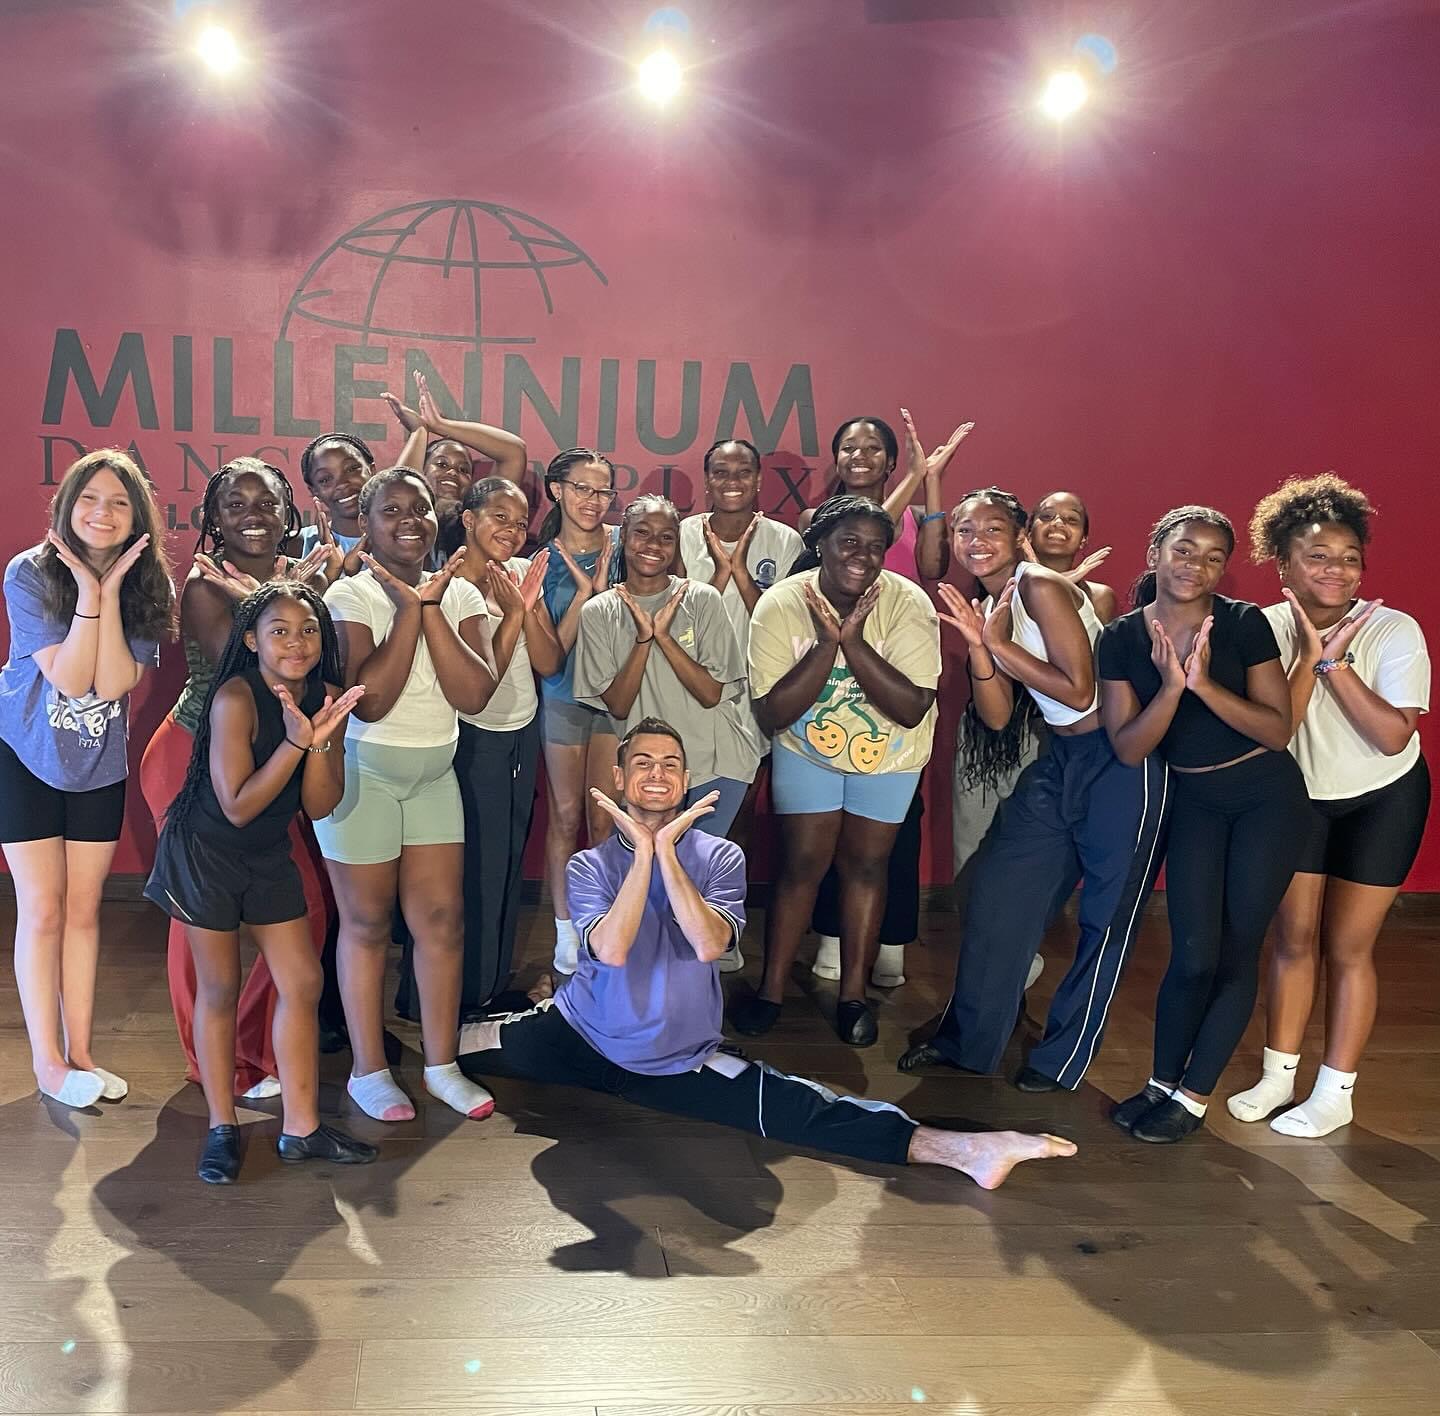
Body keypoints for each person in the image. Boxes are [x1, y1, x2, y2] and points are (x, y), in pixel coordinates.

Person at [455, 717, 1076, 1190]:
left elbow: (708, 943)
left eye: (670, 765)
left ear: (685, 781)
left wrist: (664, 852)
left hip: (676, 1059)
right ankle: (537, 1000)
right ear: (618, 779)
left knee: (801, 1110)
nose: (656, 774)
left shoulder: (720, 857)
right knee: (458, 1045)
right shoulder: (589, 865)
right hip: (579, 1035)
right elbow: (611, 950)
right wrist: (641, 854)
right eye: (641, 763)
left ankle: (966, 1151)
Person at [897, 488, 1169, 1091]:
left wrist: (996, 644)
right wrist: (980, 649)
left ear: (1020, 536)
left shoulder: (1039, 585)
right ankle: (969, 1043)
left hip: (1121, 763)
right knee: (995, 895)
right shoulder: (992, 603)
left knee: (1103, 922)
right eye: (965, 531)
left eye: (992, 529)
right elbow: (997, 716)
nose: (976, 542)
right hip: (1061, 759)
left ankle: (1059, 1060)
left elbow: (1079, 690)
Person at [143, 583, 377, 1183]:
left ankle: (301, 1128)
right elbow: (239, 805)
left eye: (308, 630)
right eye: (279, 631)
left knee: (301, 980)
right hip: (206, 851)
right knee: (219, 987)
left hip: (266, 853)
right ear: (251, 640)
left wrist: (321, 743)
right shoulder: (234, 697)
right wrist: (298, 743)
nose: (296, 643)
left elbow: (320, 806)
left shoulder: (325, 697)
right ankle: (221, 1126)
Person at [1227, 475, 1429, 1137]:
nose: (1335, 570)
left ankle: (1335, 1092)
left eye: (1349, 558)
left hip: (1383, 796)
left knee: (1347, 947)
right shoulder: (1261, 628)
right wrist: (1306, 658)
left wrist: (1334, 666)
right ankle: (1278, 1075)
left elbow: (1393, 735)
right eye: (1317, 556)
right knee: (1291, 940)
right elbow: (1278, 730)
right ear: (1283, 564)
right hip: (1300, 797)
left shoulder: (1392, 629)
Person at [1100, 506, 1306, 1143]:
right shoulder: (1122, 637)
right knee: (1191, 954)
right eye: (1185, 550)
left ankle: (1192, 1099)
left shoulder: (1241, 625)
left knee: (1236, 951)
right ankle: (1160, 1083)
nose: (1197, 566)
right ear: (1156, 553)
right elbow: (1128, 747)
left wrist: (1203, 685)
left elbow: (1277, 730)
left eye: (1214, 558)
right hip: (1193, 801)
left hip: (1265, 800)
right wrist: (1169, 688)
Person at [140, 458, 332, 1101]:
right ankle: (209, 1061)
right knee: (196, 915)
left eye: (268, 503)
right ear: (214, 520)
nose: (253, 515)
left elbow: (312, 662)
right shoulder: (204, 585)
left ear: (289, 514)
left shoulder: (296, 579)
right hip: (191, 757)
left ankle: (254, 1047)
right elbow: (250, 676)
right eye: (236, 504)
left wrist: (298, 593)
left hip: (267, 761)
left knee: (305, 909)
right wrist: (282, 595)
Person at [316, 468, 499, 1124]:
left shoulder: (462, 594)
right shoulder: (349, 595)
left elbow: (474, 695)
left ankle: (442, 1066)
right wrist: (406, 611)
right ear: (365, 526)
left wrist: (429, 607)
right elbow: (371, 702)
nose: (408, 521)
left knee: (442, 922)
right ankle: (368, 1071)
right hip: (363, 775)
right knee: (366, 925)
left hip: (433, 776)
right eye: (390, 510)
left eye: (418, 508)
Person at [0, 449, 173, 1107]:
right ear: (68, 507)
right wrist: (92, 595)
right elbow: (71, 679)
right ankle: (48, 1063)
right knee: (43, 907)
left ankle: (82, 1054)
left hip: (97, 764)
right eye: (90, 499)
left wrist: (110, 591)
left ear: (137, 518)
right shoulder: (30, 572)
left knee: (83, 909)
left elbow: (115, 681)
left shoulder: (147, 583)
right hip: (23, 756)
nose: (103, 512)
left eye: (119, 502)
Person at [736, 495, 940, 1046]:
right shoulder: (781, 603)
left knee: (867, 869)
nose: (862, 556)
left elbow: (911, 707)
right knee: (801, 867)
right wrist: (827, 643)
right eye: (849, 542)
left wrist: (852, 640)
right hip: (807, 749)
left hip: (890, 753)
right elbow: (773, 712)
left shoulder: (907, 602)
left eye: (875, 547)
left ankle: (853, 997)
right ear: (820, 545)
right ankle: (771, 992)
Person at [808, 411, 973, 989]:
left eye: (873, 448)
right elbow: (853, 534)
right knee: (831, 817)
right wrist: (917, 475)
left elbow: (932, 567)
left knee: (898, 818)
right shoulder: (819, 520)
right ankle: (832, 932)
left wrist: (932, 482)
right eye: (849, 447)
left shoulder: (916, 514)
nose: (860, 456)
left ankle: (893, 938)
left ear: (890, 461)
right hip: (833, 684)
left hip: (900, 682)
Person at [394, 477, 562, 1019]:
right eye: (499, 518)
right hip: (468, 736)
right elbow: (477, 681)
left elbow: (549, 663)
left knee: (506, 862)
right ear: (468, 519)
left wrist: (527, 608)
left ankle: (486, 987)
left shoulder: (520, 574)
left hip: (521, 733)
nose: (511, 531)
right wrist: (512, 615)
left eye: (520, 522)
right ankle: (443, 997)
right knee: (464, 872)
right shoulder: (446, 584)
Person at [573, 494, 761, 843]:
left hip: (715, 765)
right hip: (651, 772)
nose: (653, 545)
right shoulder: (598, 611)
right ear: (624, 536)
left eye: (666, 537)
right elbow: (618, 706)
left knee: (694, 872)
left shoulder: (702, 598)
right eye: (642, 532)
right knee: (648, 869)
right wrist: (644, 640)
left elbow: (711, 693)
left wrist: (664, 637)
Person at [531, 449, 623, 975]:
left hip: (614, 702)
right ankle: (566, 931)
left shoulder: (629, 546)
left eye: (603, 491)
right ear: (557, 490)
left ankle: (602, 924)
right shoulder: (541, 563)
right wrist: (589, 596)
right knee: (566, 815)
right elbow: (549, 658)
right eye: (582, 488)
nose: (593, 500)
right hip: (563, 698)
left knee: (604, 818)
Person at [381, 370, 528, 517]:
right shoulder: (403, 518)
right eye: (442, 464)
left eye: (463, 470)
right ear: (422, 471)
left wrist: (440, 425)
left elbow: (514, 453)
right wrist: (419, 430)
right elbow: (400, 490)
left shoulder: (477, 521)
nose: (452, 472)